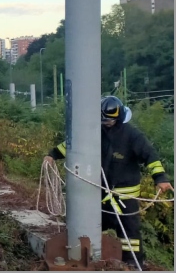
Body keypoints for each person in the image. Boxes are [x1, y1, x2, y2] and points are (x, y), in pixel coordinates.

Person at [44, 96, 173, 268]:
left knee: (129, 234)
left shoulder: (132, 136)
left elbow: (151, 156)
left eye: (109, 120)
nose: (106, 123)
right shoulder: (96, 132)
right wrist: (52, 155)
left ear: (118, 117)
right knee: (93, 226)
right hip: (101, 193)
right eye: (103, 120)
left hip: (124, 197)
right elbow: (73, 145)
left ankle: (133, 264)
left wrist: (161, 179)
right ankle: (96, 258)